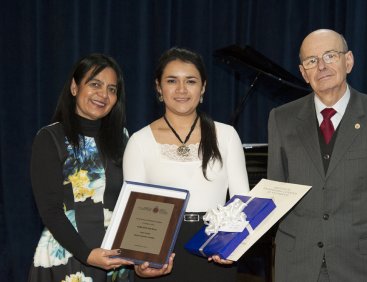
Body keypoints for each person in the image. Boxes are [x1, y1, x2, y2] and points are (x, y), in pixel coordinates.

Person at [267, 29, 367, 282]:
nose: (321, 66)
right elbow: (276, 190)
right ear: (303, 73)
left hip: (363, 262)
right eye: (312, 61)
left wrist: (366, 236)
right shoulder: (281, 118)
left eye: (330, 56)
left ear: (349, 61)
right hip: (298, 263)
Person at [29, 53, 173, 281]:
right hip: (67, 258)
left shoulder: (125, 139)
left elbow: (136, 203)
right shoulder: (50, 137)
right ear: (74, 87)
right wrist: (87, 255)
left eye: (112, 89)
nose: (103, 94)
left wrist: (144, 256)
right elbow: (50, 211)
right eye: (95, 84)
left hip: (116, 261)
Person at [123, 47, 250, 281]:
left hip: (213, 247)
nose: (181, 90)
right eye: (172, 81)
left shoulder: (227, 135)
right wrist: (140, 262)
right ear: (159, 88)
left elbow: (242, 202)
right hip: (160, 252)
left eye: (190, 81)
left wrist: (233, 246)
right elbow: (135, 212)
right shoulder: (139, 141)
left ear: (203, 88)